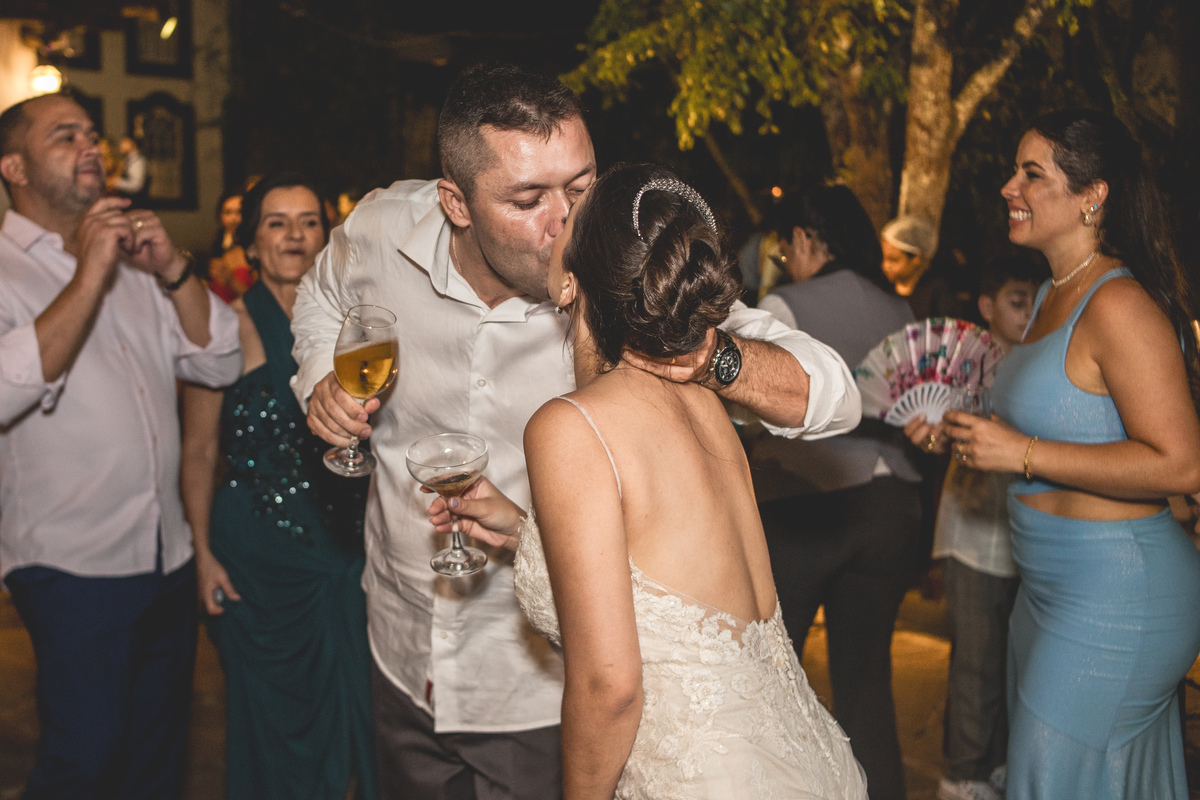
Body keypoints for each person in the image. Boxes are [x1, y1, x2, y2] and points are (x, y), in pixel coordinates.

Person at [291, 62, 861, 799]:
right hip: (400, 652)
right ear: (456, 203)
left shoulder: (623, 281)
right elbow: (319, 294)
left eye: (581, 188)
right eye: (528, 199)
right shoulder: (380, 228)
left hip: (541, 690)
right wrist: (319, 383)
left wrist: (703, 350)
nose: (565, 223)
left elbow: (836, 396)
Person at [446, 163, 869, 797]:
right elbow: (670, 568)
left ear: (570, 281)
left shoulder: (569, 426)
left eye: (571, 212)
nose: (554, 219)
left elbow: (609, 688)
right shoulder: (706, 405)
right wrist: (522, 530)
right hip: (806, 763)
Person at [919, 109, 1200, 799]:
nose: (1010, 187)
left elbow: (1182, 464)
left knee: (1050, 779)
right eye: (1016, 170)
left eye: (1032, 173)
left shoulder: (1118, 303)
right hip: (1042, 590)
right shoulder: (1049, 294)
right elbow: (1059, 423)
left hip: (1117, 595)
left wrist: (1021, 454)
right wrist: (964, 430)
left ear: (1091, 195)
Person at [0, 93, 241, 798]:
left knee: (155, 764)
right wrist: (89, 273)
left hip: (163, 556)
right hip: (71, 563)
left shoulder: (138, 263)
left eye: (93, 134)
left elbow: (217, 361)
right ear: (12, 166)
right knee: (86, 761)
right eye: (65, 135)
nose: (91, 147)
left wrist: (170, 269)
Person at [180, 172, 376, 800]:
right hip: (258, 561)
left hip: (349, 548)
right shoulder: (222, 328)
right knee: (272, 730)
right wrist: (202, 553)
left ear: (328, 235)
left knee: (366, 718)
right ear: (249, 242)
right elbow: (201, 449)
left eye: (308, 221)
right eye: (276, 222)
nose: (294, 235)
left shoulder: (363, 327)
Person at [753, 184, 921, 800]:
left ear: (805, 239)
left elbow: (756, 409)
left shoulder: (781, 305)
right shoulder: (898, 309)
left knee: (777, 677)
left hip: (807, 501)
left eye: (784, 243)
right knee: (868, 681)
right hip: (891, 505)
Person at [904, 256, 1044, 800]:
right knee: (976, 668)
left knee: (1017, 664)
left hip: (1027, 536)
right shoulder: (964, 364)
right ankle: (961, 778)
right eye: (1016, 301)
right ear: (987, 307)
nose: (1028, 311)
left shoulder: (1041, 361)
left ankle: (1002, 768)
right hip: (972, 535)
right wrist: (931, 438)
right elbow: (943, 434)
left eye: (1034, 299)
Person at [881, 213, 960, 320]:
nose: (886, 266)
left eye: (894, 260)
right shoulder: (881, 288)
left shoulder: (938, 293)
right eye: (884, 258)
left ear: (916, 258)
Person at [206, 190, 255, 301]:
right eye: (228, 213)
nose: (233, 219)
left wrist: (230, 280)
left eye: (239, 212)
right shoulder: (218, 248)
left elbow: (260, 301)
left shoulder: (257, 250)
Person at [108, 135, 148, 201]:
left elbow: (136, 186)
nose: (121, 144)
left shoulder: (137, 161)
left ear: (133, 144)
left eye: (124, 141)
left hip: (134, 200)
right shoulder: (129, 159)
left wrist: (116, 182)